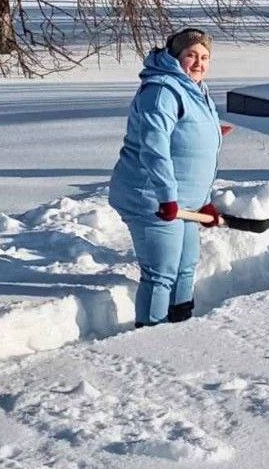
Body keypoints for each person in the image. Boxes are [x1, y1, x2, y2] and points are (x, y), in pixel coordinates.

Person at [108, 28, 224, 327]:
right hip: (152, 197)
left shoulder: (196, 89)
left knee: (186, 267)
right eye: (191, 55)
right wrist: (167, 197)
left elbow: (196, 153)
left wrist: (204, 200)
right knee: (160, 274)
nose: (198, 63)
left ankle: (180, 326)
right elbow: (154, 148)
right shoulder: (162, 91)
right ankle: (151, 335)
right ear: (175, 56)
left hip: (184, 201)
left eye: (204, 57)